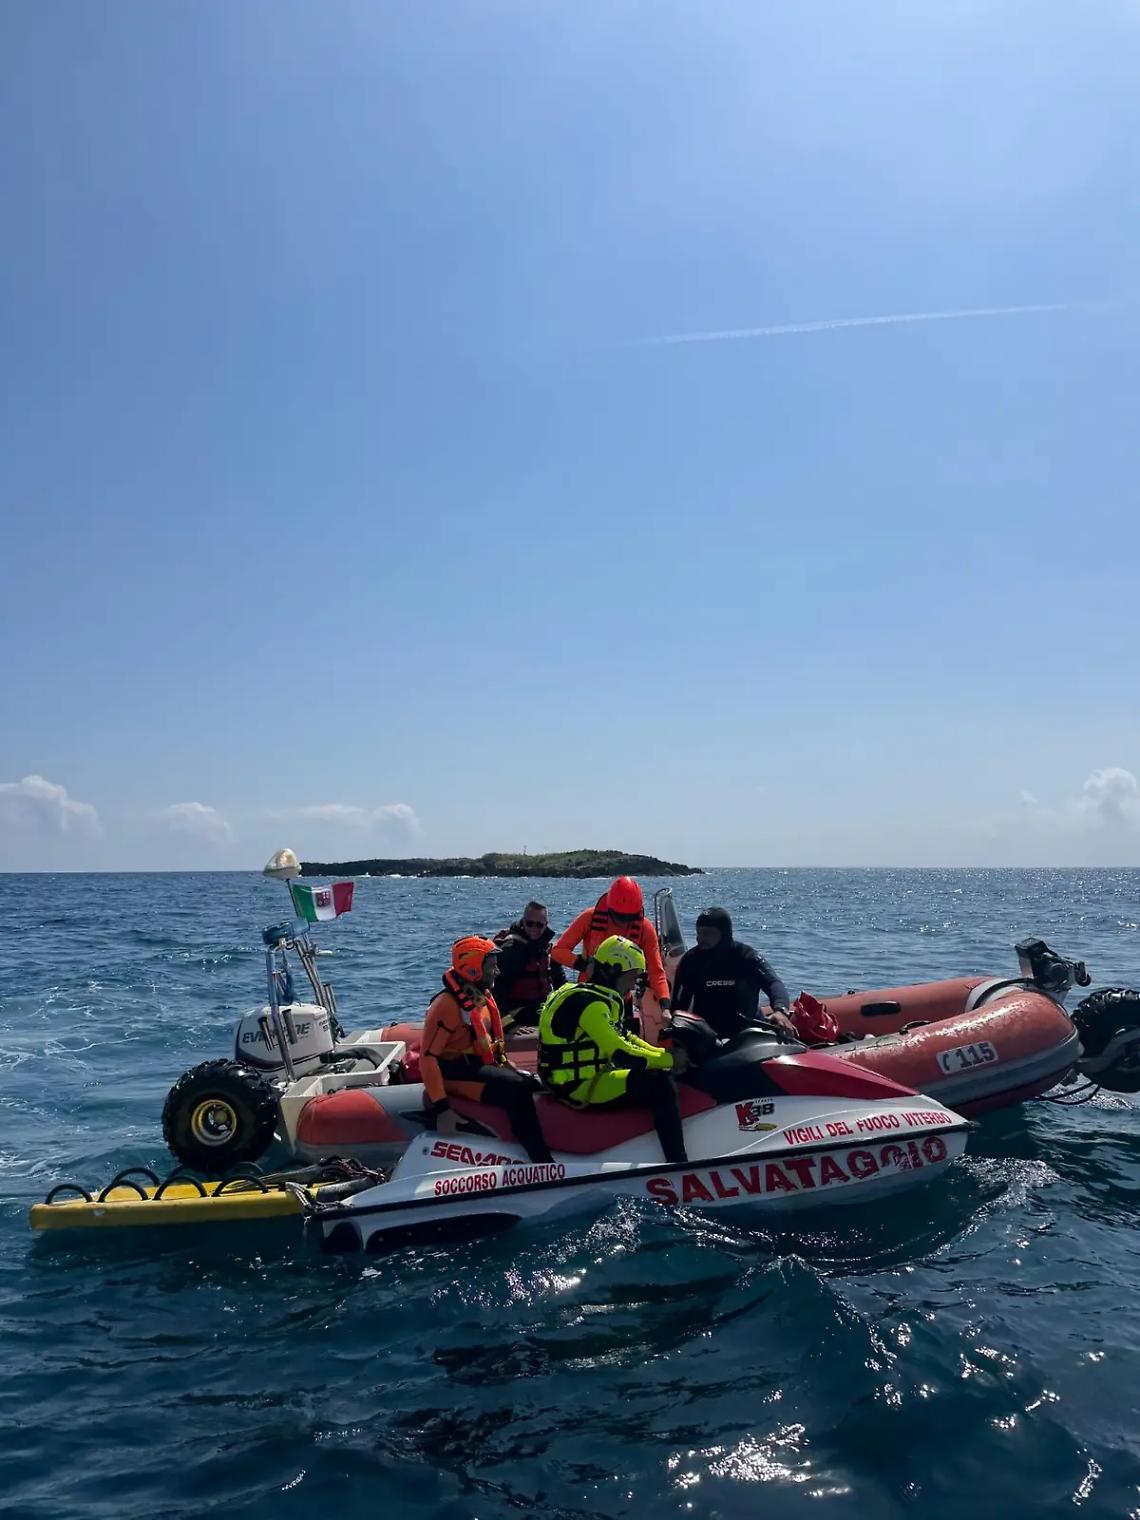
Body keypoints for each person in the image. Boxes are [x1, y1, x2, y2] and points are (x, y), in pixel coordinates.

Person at [538, 935, 688, 1165]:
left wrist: (664, 1055)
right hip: (578, 1086)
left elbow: (627, 1038)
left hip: (571, 1077)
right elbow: (622, 1054)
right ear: (615, 969)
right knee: (661, 1083)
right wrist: (668, 1061)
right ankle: (679, 1163)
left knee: (661, 1069)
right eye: (632, 975)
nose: (634, 983)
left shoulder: (590, 995)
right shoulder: (593, 1006)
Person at [420, 935, 553, 1162]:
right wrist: (442, 1108)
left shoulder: (481, 998)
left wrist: (510, 1068)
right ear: (473, 968)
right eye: (492, 966)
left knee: (533, 1082)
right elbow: (428, 1058)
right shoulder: (447, 1006)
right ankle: (540, 1160)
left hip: (475, 1067)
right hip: (455, 1074)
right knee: (517, 1091)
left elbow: (488, 1047)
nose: (497, 972)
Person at [671, 907, 797, 1041]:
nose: (701, 938)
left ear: (724, 934)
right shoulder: (691, 960)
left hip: (748, 1031)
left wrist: (781, 1010)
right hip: (709, 1036)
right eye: (699, 932)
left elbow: (773, 983)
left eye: (708, 933)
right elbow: (679, 1005)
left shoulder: (747, 957)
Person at [551, 876, 671, 1014]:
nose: (624, 922)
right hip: (588, 995)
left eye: (630, 917)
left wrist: (665, 1006)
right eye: (619, 916)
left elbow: (656, 971)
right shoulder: (589, 917)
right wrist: (583, 965)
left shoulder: (645, 928)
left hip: (621, 1000)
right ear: (609, 908)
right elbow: (557, 951)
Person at [492, 900, 566, 1026]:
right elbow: (496, 988)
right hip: (515, 1009)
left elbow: (560, 982)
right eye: (529, 923)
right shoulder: (511, 949)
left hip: (539, 1005)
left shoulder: (546, 948)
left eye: (539, 925)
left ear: (546, 924)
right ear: (523, 921)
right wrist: (507, 1023)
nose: (533, 929)